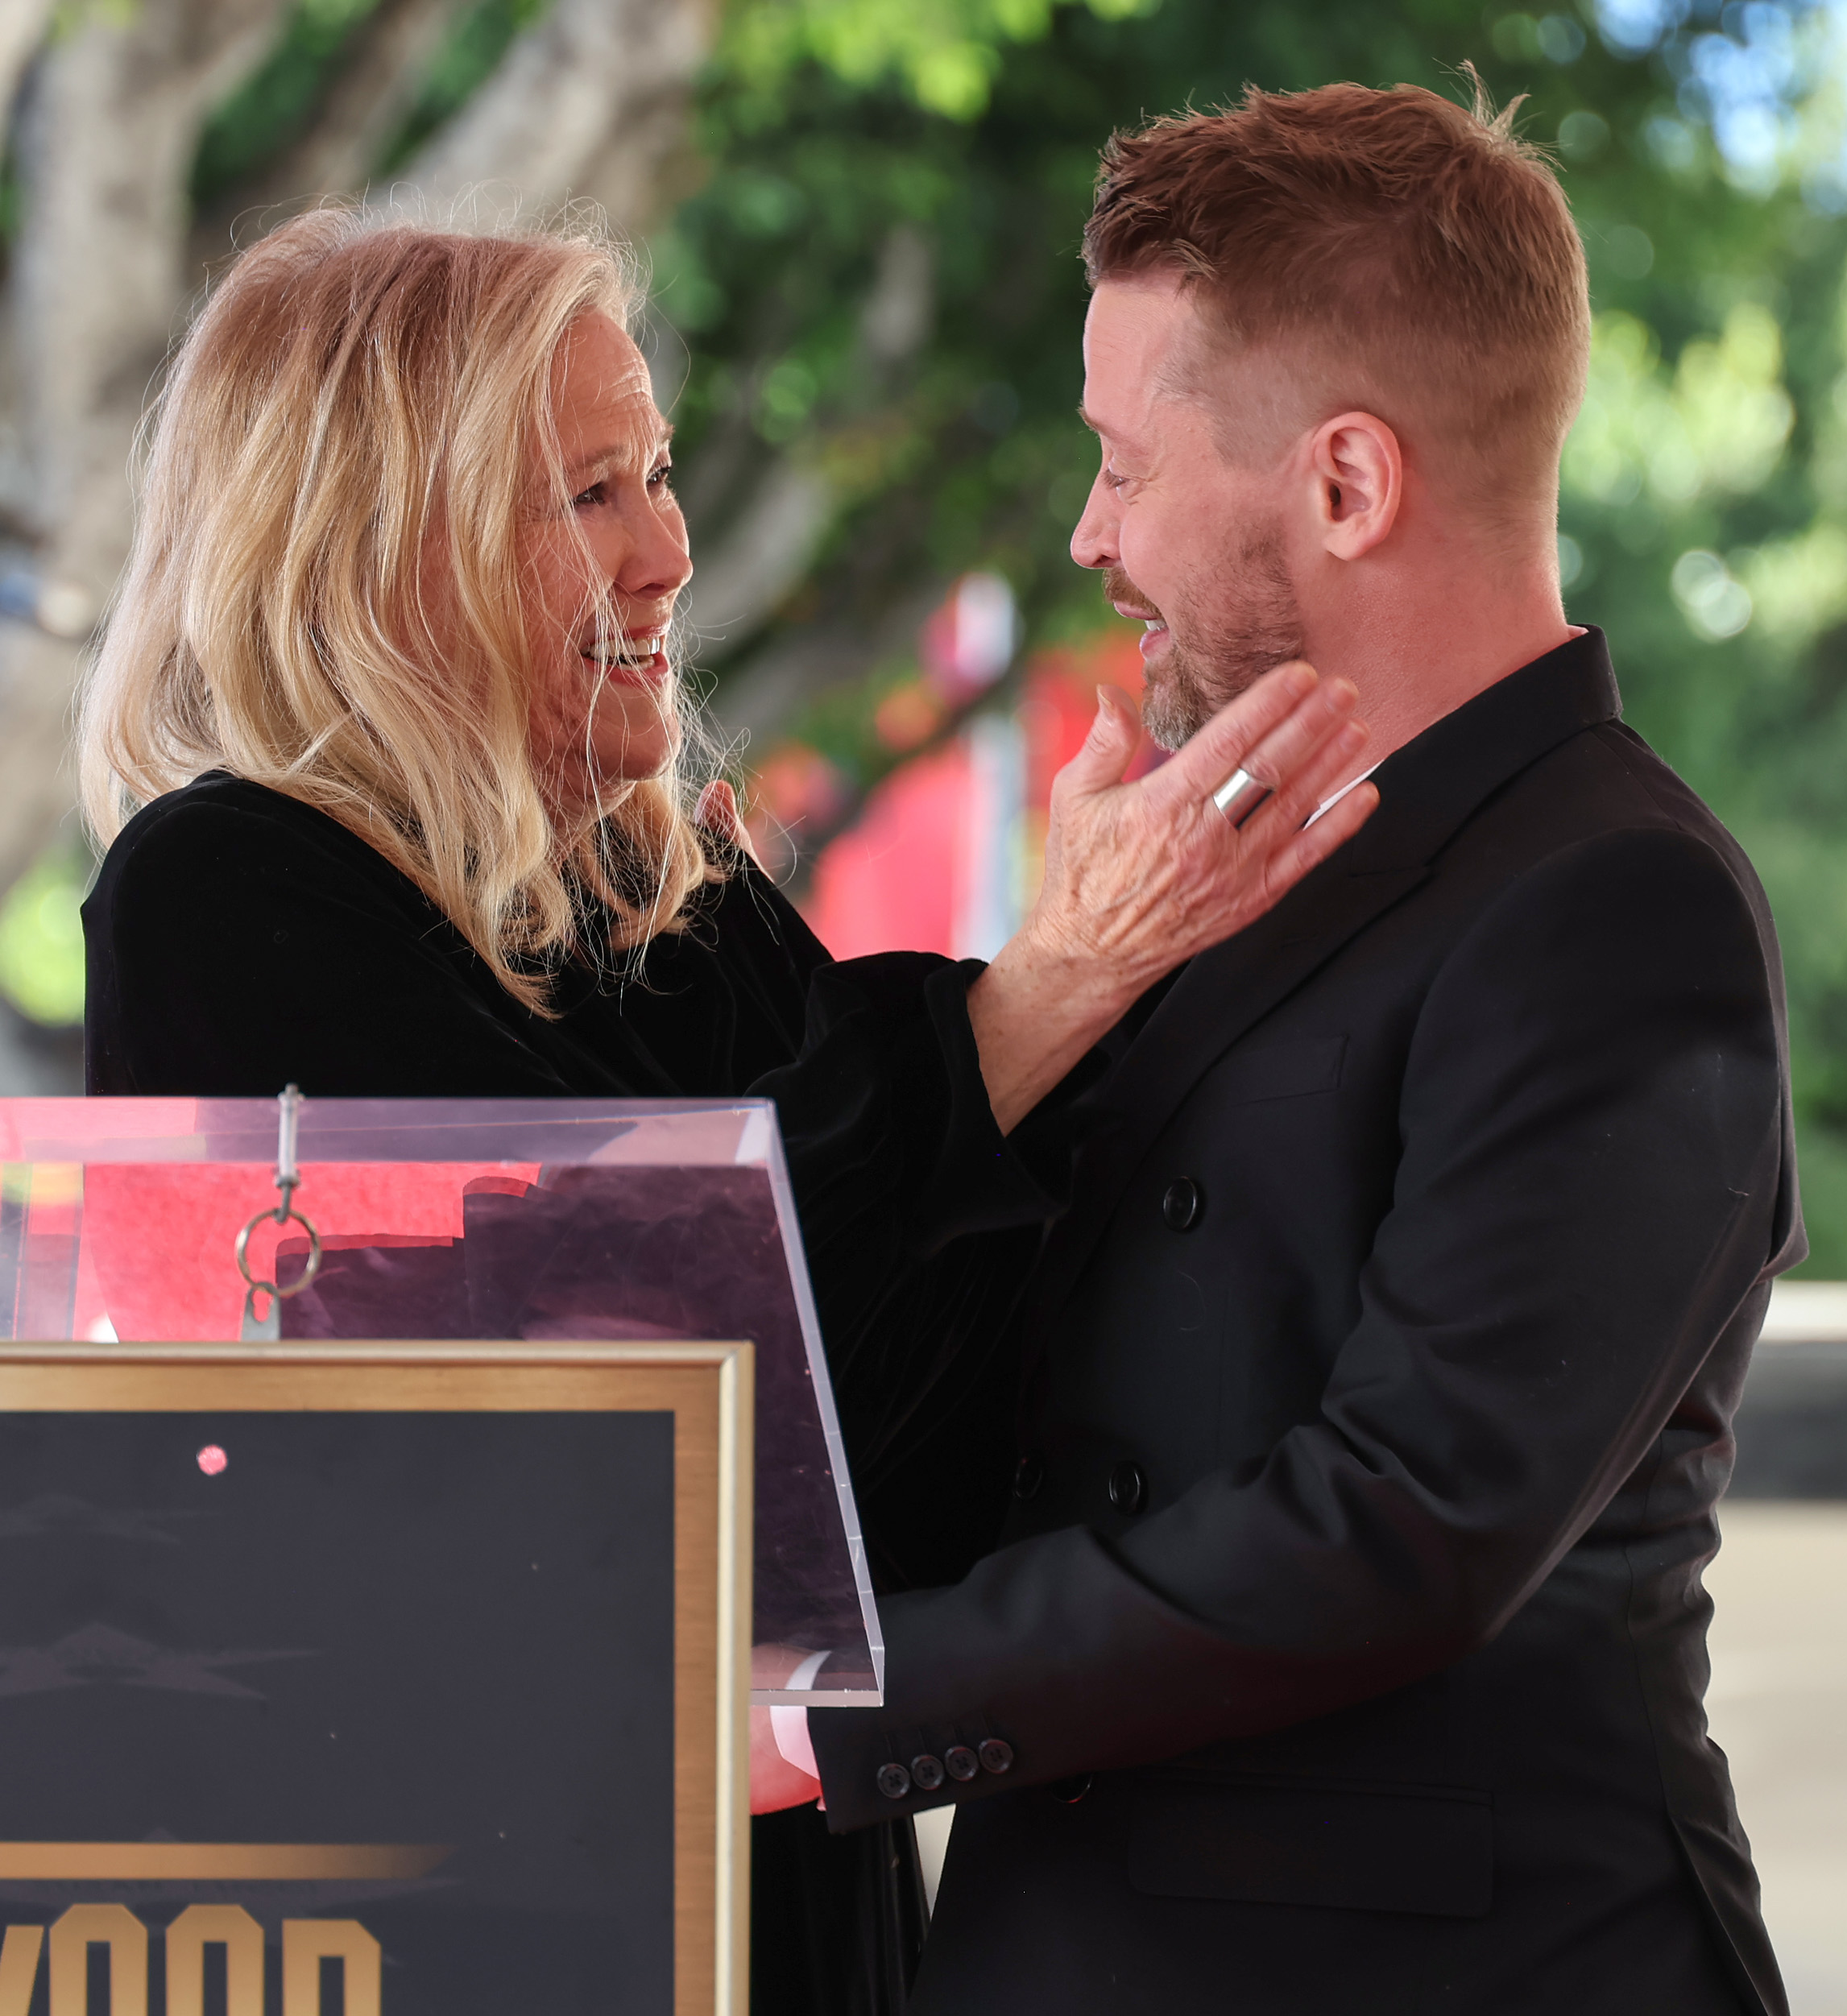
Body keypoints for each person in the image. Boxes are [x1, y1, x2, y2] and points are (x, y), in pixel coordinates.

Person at [72, 209, 1377, 2016]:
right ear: (384, 544)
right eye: (587, 493)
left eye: (660, 474)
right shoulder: (223, 886)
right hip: (477, 1906)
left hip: (791, 1899)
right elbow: (599, 1346)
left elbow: (889, 1459)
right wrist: (1051, 987)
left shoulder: (677, 896)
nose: (667, 552)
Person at [750, 80, 1807, 2015]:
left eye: (1125, 466)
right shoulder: (1229, 857)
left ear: (1345, 484)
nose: (1088, 533)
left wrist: (829, 1705)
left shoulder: (1619, 904)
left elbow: (1408, 1517)